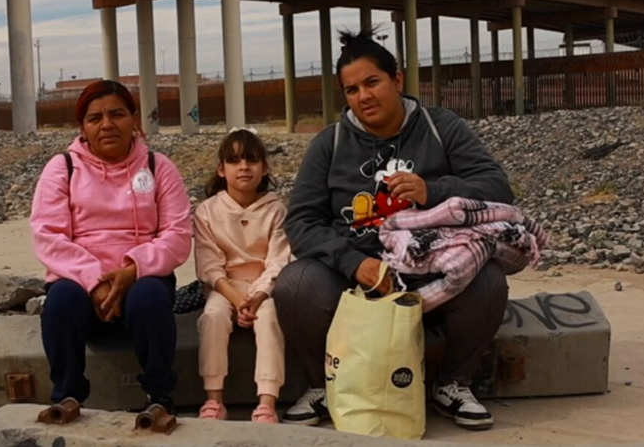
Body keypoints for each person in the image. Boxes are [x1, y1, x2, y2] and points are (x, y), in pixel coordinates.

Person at [273, 28, 514, 431]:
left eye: (372, 82)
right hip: (356, 274)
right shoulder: (329, 143)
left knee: (488, 280)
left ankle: (454, 383)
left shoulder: (442, 127)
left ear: (397, 80)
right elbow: (301, 221)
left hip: (433, 267)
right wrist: (354, 263)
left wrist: (431, 190)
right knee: (295, 285)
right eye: (351, 90)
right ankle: (323, 385)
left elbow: (497, 188)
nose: (363, 96)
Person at [30, 80, 192, 415]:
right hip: (79, 280)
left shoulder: (158, 167)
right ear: (83, 127)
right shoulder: (62, 168)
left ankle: (159, 399)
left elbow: (177, 235)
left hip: (142, 277)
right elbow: (48, 235)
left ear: (135, 118)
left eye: (117, 114)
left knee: (149, 299)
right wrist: (94, 280)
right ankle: (68, 397)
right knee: (60, 303)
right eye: (95, 118)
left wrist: (134, 268)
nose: (106, 124)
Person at [193, 129, 290, 424]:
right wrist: (235, 297)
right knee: (212, 318)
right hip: (224, 287)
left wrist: (258, 296)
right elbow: (209, 265)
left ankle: (267, 402)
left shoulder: (276, 210)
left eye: (251, 159)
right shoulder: (207, 211)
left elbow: (278, 261)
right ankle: (214, 399)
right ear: (222, 169)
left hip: (265, 289)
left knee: (270, 320)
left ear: (264, 168)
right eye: (234, 161)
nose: (244, 167)